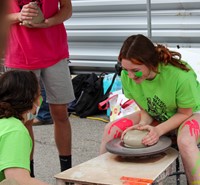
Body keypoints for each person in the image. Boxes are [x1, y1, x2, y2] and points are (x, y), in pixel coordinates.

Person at [100, 34, 200, 184]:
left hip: (190, 114)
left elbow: (184, 113)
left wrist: (158, 130)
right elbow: (145, 108)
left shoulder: (180, 76)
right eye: (126, 70)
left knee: (185, 141)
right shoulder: (127, 76)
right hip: (159, 114)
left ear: (151, 63)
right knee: (111, 129)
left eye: (135, 70)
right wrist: (142, 124)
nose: (130, 76)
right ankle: (103, 180)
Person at [5, 0, 75, 176]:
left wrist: (48, 22)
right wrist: (19, 16)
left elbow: (67, 8)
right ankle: (28, 175)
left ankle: (67, 173)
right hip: (20, 55)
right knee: (25, 118)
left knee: (61, 113)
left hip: (55, 52)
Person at [0, 70, 50, 185]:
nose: (40, 100)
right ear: (30, 99)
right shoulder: (14, 131)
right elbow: (17, 181)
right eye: (39, 95)